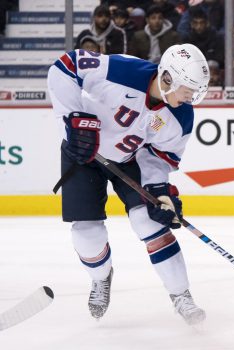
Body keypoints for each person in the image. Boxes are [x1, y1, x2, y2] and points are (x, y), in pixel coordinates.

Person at [46, 43, 210, 326]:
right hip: (84, 151)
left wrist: (160, 191)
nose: (192, 96)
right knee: (86, 232)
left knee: (149, 222)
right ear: (168, 77)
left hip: (130, 159)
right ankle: (100, 278)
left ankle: (181, 295)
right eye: (189, 88)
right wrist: (73, 120)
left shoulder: (181, 116)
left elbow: (158, 156)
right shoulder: (122, 71)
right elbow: (65, 66)